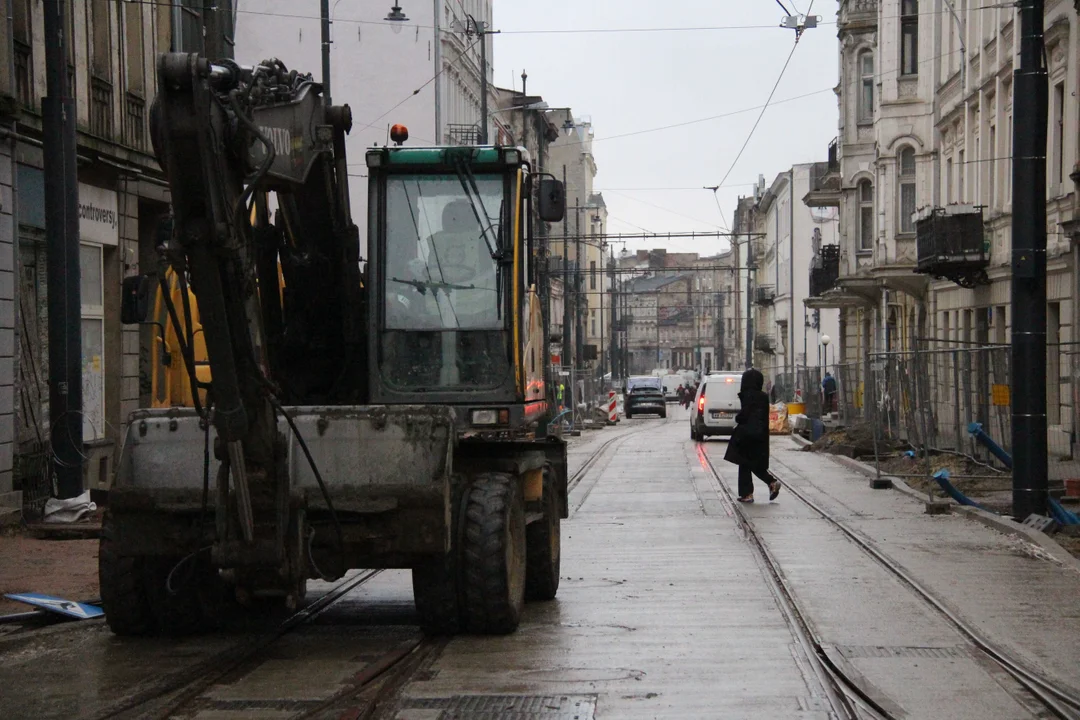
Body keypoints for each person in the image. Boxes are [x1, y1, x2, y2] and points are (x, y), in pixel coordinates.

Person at [724, 368, 781, 503]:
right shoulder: (763, 396)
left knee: (744, 463)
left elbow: (745, 414)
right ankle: (771, 483)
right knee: (754, 463)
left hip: (747, 435)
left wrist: (738, 419)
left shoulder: (748, 395)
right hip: (760, 436)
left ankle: (747, 493)